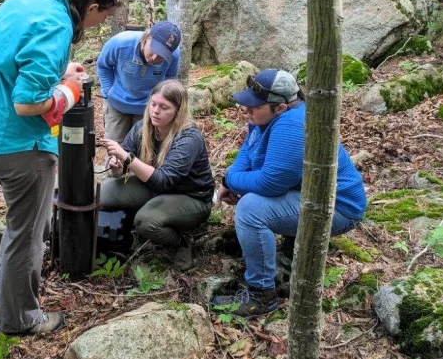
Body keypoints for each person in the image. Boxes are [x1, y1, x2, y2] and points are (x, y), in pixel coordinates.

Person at [0, 0, 124, 335]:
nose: (100, 24)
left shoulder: (29, 0)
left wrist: (58, 70)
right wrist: (69, 89)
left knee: (19, 226)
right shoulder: (55, 26)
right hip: (20, 146)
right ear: (92, 8)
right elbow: (28, 102)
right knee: (30, 235)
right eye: (104, 16)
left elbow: (13, 61)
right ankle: (21, 319)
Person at [212, 69, 367, 316]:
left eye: (254, 106)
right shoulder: (265, 118)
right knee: (254, 199)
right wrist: (230, 180)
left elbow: (269, 184)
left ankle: (261, 294)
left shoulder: (293, 124)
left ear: (281, 107)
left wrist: (231, 180)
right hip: (309, 197)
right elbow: (247, 153)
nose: (247, 110)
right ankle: (290, 253)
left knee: (251, 209)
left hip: (338, 208)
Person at [99, 79, 214, 271]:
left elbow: (163, 181)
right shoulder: (143, 128)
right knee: (104, 193)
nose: (155, 111)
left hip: (191, 197)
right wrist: (117, 165)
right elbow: (122, 169)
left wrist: (127, 158)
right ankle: (137, 223)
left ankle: (181, 242)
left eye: (164, 107)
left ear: (178, 111)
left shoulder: (188, 138)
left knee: (146, 222)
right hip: (153, 188)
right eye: (153, 104)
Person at [97, 21, 182, 143]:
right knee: (114, 146)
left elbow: (169, 79)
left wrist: (157, 103)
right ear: (147, 38)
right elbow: (103, 66)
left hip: (147, 107)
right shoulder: (120, 43)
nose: (154, 58)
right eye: (153, 50)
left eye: (161, 56)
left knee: (142, 146)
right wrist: (107, 91)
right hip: (117, 102)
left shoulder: (173, 56)